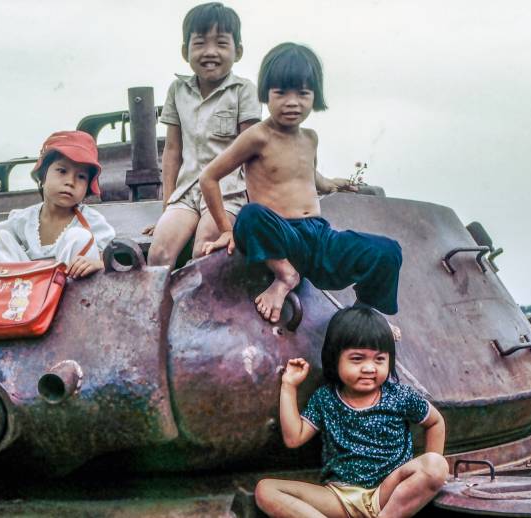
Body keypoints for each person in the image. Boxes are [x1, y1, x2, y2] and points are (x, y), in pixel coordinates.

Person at [200, 43, 402, 323]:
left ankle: (366, 313)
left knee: (387, 250)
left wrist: (330, 183)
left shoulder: (310, 138)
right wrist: (225, 229)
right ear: (266, 94)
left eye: (303, 93)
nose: (292, 102)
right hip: (279, 235)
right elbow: (208, 177)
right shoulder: (258, 136)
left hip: (318, 237)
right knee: (250, 215)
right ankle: (285, 275)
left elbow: (308, 176)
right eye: (281, 93)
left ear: (314, 96)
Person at [255, 307, 448, 518]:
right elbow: (294, 438)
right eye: (357, 359)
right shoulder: (325, 399)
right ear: (334, 358)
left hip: (388, 494)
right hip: (338, 497)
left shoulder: (400, 396)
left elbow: (435, 422)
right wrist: (289, 386)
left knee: (436, 465)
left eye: (379, 359)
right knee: (266, 490)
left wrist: (427, 484)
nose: (369, 368)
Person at [144, 2, 261, 268]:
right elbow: (172, 151)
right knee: (158, 254)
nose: (210, 52)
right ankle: (160, 310)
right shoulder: (177, 90)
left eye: (221, 43)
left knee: (204, 252)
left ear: (238, 51)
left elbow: (254, 154)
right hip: (186, 194)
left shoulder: (244, 91)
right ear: (185, 51)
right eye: (200, 43)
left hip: (227, 194)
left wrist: (257, 210)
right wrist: (167, 208)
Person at [0, 130, 115, 279]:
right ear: (43, 176)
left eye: (81, 176)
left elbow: (111, 259)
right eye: (62, 171)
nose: (70, 182)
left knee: (81, 236)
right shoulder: (22, 220)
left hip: (69, 294)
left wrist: (100, 264)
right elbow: (1, 251)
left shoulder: (92, 221)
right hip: (23, 291)